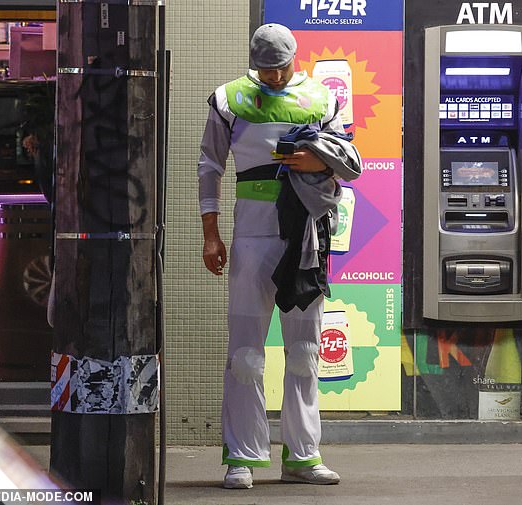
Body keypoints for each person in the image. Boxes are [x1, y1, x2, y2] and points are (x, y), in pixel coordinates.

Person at [198, 23, 361, 489]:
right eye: (265, 69)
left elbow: (349, 157)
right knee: (245, 355)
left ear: (295, 57)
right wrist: (211, 234)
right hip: (251, 237)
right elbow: (209, 167)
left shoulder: (323, 99)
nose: (272, 76)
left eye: (280, 67)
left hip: (306, 237)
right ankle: (242, 457)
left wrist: (320, 161)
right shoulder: (228, 99)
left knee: (305, 352)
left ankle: (303, 455)